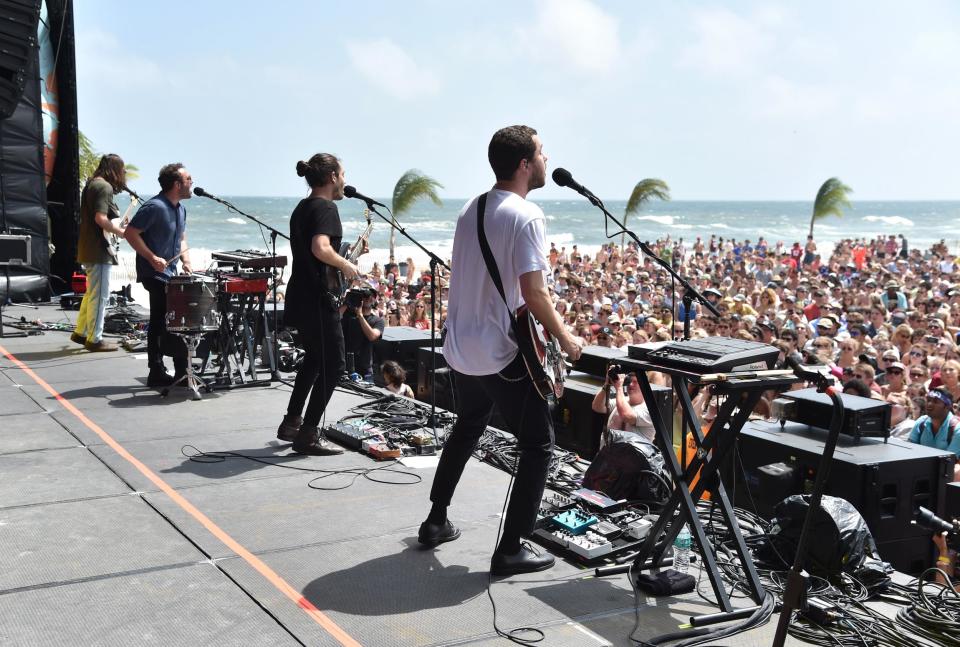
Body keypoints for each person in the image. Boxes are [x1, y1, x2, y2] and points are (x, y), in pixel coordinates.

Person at [418, 125, 584, 576]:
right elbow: (535, 292)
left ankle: (435, 520)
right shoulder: (526, 215)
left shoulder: (470, 208)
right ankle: (511, 547)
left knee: (468, 426)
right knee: (538, 445)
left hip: (461, 347)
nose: (548, 159)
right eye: (543, 152)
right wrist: (567, 339)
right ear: (526, 165)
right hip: (499, 352)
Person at [275, 153, 361, 456]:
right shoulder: (326, 207)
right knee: (335, 363)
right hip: (316, 299)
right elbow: (320, 248)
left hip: (300, 294)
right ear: (333, 177)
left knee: (314, 359)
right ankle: (308, 434)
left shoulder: (303, 207)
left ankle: (291, 423)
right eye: (343, 173)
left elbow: (314, 253)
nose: (345, 180)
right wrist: (347, 266)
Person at [124, 163, 193, 386]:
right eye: (188, 179)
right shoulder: (154, 207)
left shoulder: (181, 209)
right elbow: (130, 233)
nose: (192, 183)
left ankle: (182, 370)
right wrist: (152, 257)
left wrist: (186, 261)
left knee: (179, 319)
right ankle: (156, 369)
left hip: (171, 273)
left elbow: (181, 237)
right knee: (160, 319)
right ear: (177, 184)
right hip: (153, 273)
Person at [72, 154, 127, 352]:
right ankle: (94, 339)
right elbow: (101, 219)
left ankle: (81, 332)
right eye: (122, 170)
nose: (124, 174)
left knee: (91, 293)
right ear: (115, 170)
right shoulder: (105, 187)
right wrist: (122, 232)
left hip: (88, 246)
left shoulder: (92, 184)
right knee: (100, 295)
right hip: (98, 250)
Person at [909, 387, 960, 480]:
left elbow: (948, 463)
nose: (929, 404)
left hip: (945, 476)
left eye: (936, 401)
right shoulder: (921, 422)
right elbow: (910, 451)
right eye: (928, 400)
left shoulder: (957, 428)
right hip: (920, 471)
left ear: (947, 406)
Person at [590, 370, 655, 443]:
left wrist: (619, 388)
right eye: (629, 381)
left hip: (632, 454)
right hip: (609, 452)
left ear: (645, 385)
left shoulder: (650, 409)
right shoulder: (621, 401)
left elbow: (627, 416)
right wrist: (606, 384)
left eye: (635, 382)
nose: (630, 384)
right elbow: (597, 407)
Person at [342, 288, 384, 380]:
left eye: (372, 296)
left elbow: (372, 336)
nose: (368, 298)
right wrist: (347, 302)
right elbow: (334, 320)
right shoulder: (347, 315)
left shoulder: (377, 320)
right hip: (345, 364)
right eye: (365, 296)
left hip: (365, 368)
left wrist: (360, 315)